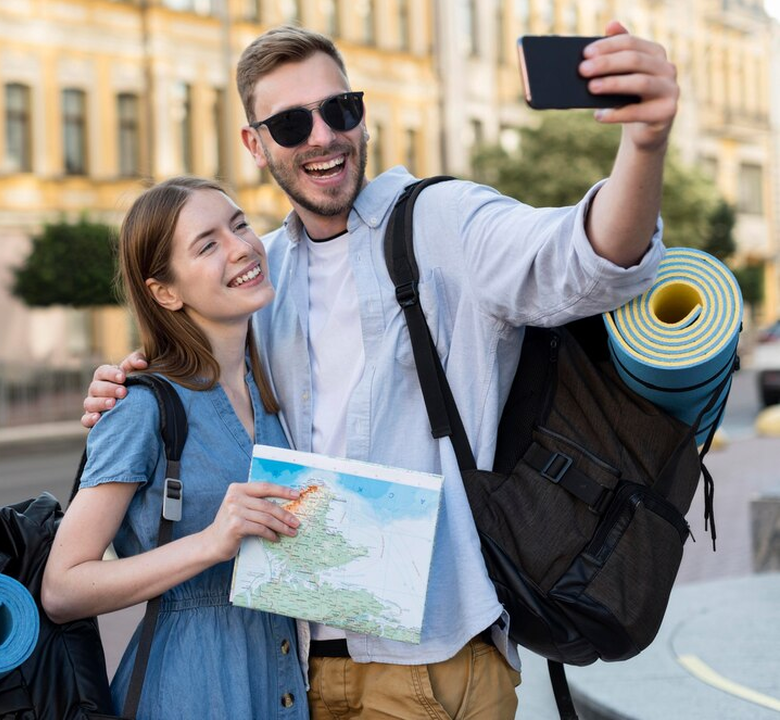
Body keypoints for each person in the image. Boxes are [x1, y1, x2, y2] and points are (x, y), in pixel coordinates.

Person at [81, 22, 679, 719]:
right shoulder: (259, 277)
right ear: (255, 143)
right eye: (290, 121)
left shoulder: (439, 222)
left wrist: (645, 143)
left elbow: (585, 260)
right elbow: (197, 381)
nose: (322, 136)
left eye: (340, 110)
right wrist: (126, 390)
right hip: (303, 669)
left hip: (435, 661)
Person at [41, 177, 310, 719]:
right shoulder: (140, 407)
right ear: (166, 291)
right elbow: (62, 587)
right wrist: (213, 542)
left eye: (238, 224)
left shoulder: (274, 390)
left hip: (281, 680)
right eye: (207, 244)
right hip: (190, 689)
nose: (241, 247)